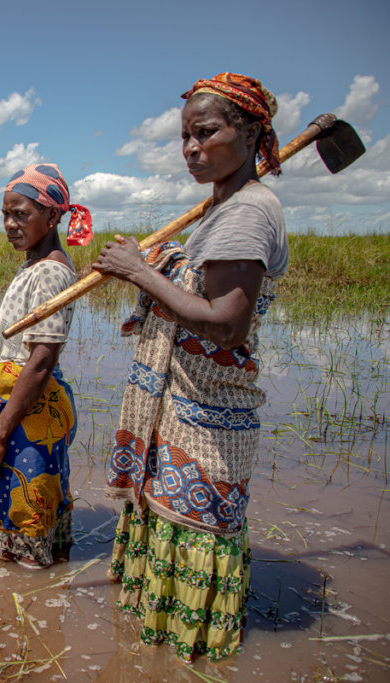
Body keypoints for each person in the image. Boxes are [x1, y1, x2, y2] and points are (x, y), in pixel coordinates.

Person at [93, 73, 289, 661]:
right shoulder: (222, 209)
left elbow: (226, 324)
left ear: (251, 133)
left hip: (209, 411)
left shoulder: (249, 212)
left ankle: (188, 655)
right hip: (181, 405)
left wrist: (142, 272)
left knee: (198, 530)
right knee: (172, 520)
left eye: (205, 133)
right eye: (184, 137)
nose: (191, 149)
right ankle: (152, 657)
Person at [0, 163, 91, 569]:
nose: (8, 223)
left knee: (30, 505)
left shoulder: (52, 273)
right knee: (23, 499)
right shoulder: (34, 265)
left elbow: (41, 361)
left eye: (20, 214)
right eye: (5, 214)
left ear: (53, 216)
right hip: (18, 406)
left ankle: (30, 594)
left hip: (27, 409)